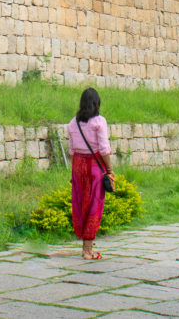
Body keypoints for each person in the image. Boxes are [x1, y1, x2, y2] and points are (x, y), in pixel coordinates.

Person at [66, 87, 115, 259]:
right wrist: (109, 170)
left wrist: (74, 174)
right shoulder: (99, 122)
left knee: (80, 204)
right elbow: (104, 149)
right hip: (94, 166)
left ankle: (86, 244)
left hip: (78, 165)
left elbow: (71, 150)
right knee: (94, 204)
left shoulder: (73, 123)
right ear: (96, 103)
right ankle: (88, 249)